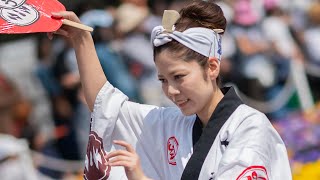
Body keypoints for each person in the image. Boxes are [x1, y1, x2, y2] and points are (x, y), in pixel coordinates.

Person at [50, 1, 292, 179]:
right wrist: (81, 40)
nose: (172, 91)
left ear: (212, 67)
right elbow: (106, 105)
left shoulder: (250, 127)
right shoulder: (174, 122)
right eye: (163, 80)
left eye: (179, 77)